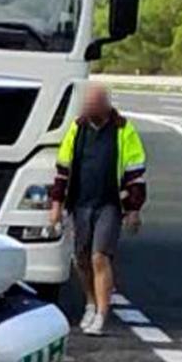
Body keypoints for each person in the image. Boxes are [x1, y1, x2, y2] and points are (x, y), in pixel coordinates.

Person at [50, 85, 147, 336]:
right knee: (81, 258)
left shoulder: (124, 130)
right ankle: (91, 302)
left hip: (110, 204)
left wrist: (134, 209)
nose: (88, 108)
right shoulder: (77, 128)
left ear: (105, 104)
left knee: (99, 257)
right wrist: (56, 204)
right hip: (80, 203)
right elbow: (63, 169)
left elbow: (135, 172)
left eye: (94, 103)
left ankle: (102, 314)